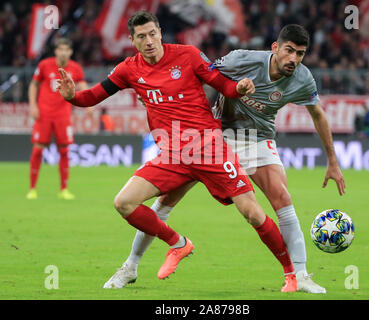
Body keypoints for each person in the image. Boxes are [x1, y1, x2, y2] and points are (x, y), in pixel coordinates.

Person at [57, 11, 298, 292]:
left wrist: (240, 87)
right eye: (141, 37)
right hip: (172, 156)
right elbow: (93, 96)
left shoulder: (188, 55)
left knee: (252, 213)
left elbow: (224, 86)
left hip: (209, 149)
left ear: (160, 32)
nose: (149, 41)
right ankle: (178, 244)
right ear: (131, 40)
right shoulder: (128, 69)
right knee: (124, 202)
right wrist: (73, 96)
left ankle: (291, 274)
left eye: (152, 34)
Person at [107, 24, 347, 294]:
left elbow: (318, 115)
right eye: (289, 51)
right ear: (276, 48)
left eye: (300, 54)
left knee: (281, 199)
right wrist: (158, 96)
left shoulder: (303, 80)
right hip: (216, 135)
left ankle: (299, 275)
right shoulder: (240, 59)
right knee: (164, 202)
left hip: (257, 139)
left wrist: (333, 162)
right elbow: (197, 74)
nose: (293, 58)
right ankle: (130, 267)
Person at [26, 38, 89, 200]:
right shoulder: (44, 65)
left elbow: (82, 85)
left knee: (64, 151)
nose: (63, 52)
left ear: (70, 52)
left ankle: (64, 189)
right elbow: (34, 85)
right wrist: (33, 105)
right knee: (38, 148)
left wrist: (89, 103)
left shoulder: (75, 68)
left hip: (63, 114)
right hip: (44, 113)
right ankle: (32, 189)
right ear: (56, 51)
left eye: (66, 50)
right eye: (60, 49)